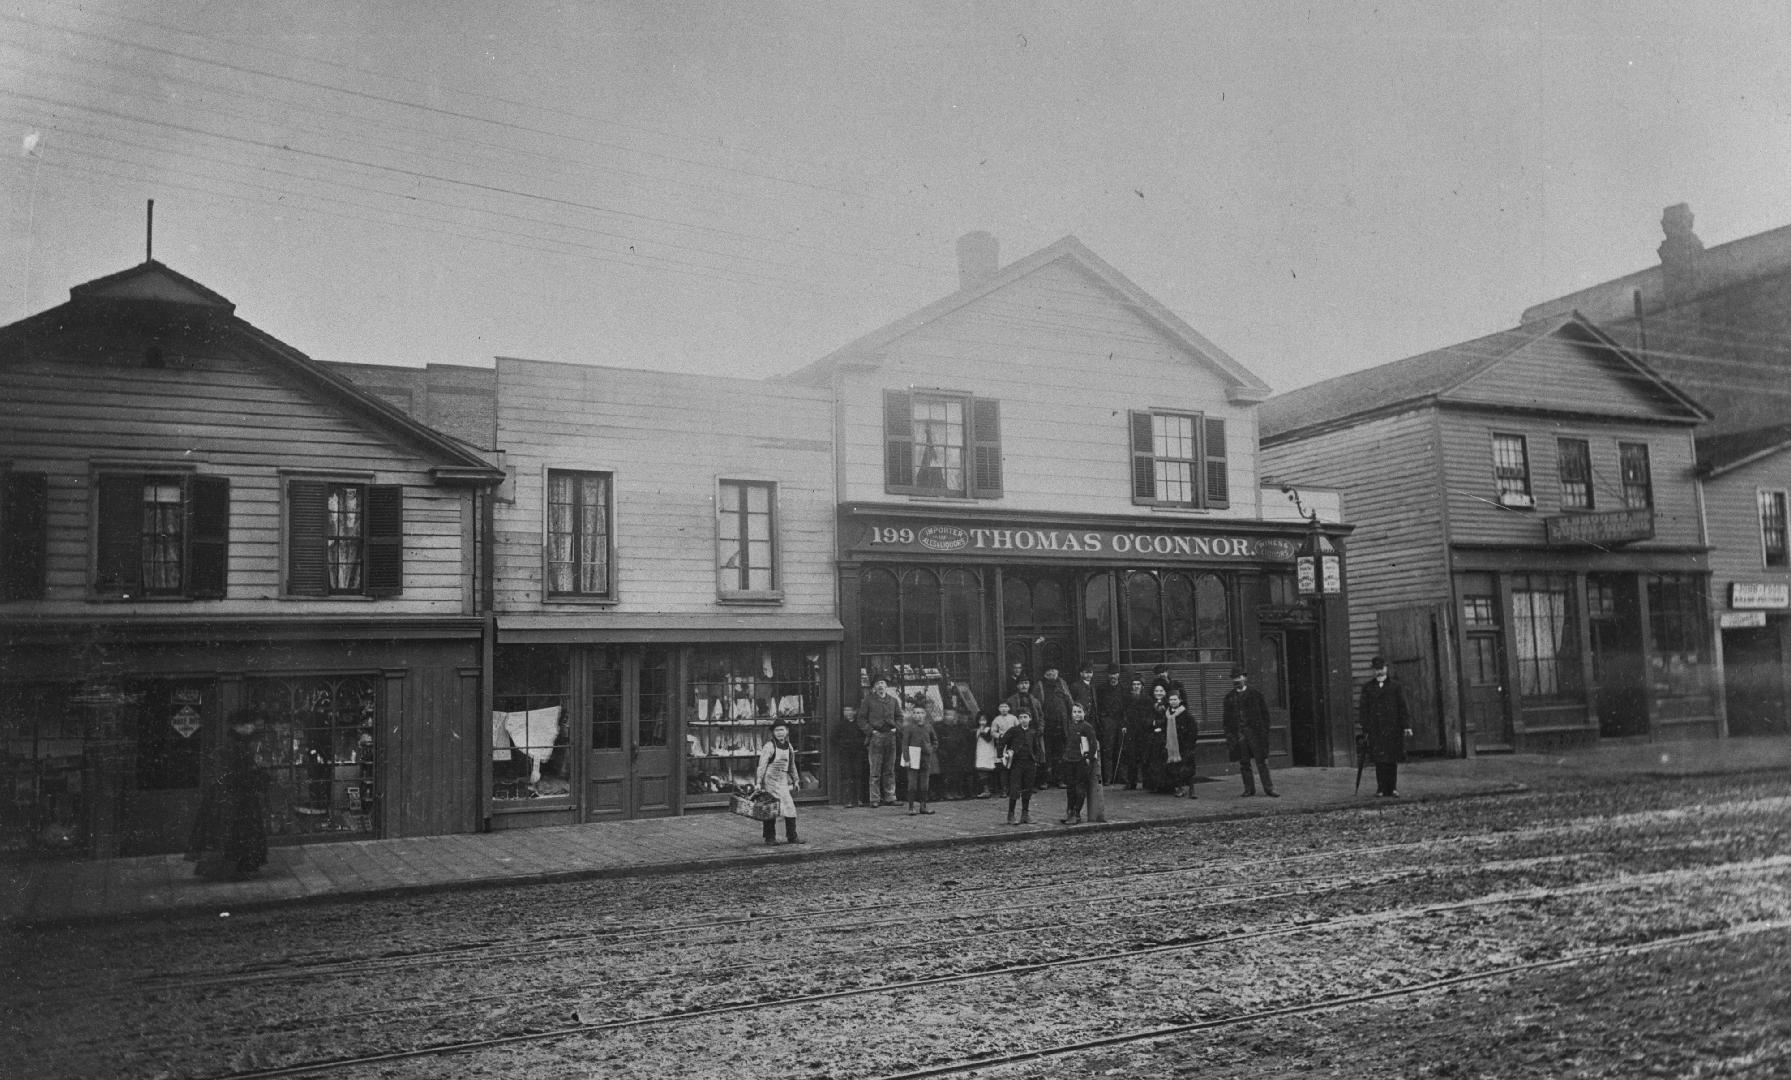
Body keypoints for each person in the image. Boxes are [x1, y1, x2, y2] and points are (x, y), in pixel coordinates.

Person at [187, 711, 269, 880]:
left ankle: (236, 868)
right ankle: (229, 869)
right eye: (247, 724)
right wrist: (256, 772)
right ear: (237, 727)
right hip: (234, 796)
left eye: (251, 724)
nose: (251, 727)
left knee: (238, 832)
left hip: (237, 794)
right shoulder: (234, 745)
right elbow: (234, 773)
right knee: (233, 832)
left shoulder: (243, 743)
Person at [1358, 655, 1414, 797]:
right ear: (1373, 671)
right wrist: (1365, 728)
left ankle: (1393, 788)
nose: (1379, 672)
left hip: (1393, 728)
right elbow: (1363, 709)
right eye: (1376, 669)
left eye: (1381, 668)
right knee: (1379, 760)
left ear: (1386, 669)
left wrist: (1407, 726)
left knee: (1391, 759)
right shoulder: (1368, 688)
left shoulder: (1396, 686)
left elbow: (1403, 707)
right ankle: (1381, 788)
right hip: (1375, 729)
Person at [1223, 668, 1278, 797]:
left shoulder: (1255, 694)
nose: (1237, 680)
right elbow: (1226, 720)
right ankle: (1249, 789)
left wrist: (1263, 732)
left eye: (1239, 677)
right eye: (1234, 678)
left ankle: (1269, 788)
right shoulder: (1229, 698)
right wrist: (1230, 736)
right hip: (1239, 735)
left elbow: (1265, 716)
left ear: (1245, 678)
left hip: (1255, 735)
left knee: (1262, 761)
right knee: (1244, 763)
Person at [754, 721, 806, 844]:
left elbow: (792, 765)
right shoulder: (769, 746)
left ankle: (792, 836)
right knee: (770, 808)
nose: (780, 733)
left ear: (786, 731)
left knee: (790, 808)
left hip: (782, 781)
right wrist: (758, 782)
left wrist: (796, 780)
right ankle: (769, 838)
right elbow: (762, 766)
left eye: (782, 730)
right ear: (773, 732)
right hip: (770, 781)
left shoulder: (789, 747)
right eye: (777, 730)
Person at [856, 674, 903, 808]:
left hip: (891, 737)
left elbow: (899, 717)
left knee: (889, 769)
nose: (880, 686)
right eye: (877, 684)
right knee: (875, 769)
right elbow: (861, 719)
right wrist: (871, 731)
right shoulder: (868, 701)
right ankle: (874, 798)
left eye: (882, 683)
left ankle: (890, 796)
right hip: (876, 738)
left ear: (886, 686)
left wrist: (896, 728)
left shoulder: (893, 701)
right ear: (874, 687)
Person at [999, 709, 1044, 824]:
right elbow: (1002, 741)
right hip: (1016, 764)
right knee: (1015, 788)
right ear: (1018, 719)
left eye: (1025, 717)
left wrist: (1036, 759)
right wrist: (1002, 755)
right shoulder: (1013, 731)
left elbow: (1037, 748)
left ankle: (1025, 815)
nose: (1023, 719)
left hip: (1030, 763)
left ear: (1030, 719)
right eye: (1021, 717)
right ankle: (1011, 815)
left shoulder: (1033, 732)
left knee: (1028, 788)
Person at [1059, 703, 1100, 825]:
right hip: (1069, 760)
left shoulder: (1087, 727)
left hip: (1081, 761)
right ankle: (1070, 812)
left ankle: (1077, 813)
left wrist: (1088, 758)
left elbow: (1093, 744)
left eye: (1079, 712)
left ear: (1084, 713)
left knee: (1079, 787)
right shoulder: (1070, 726)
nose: (1077, 714)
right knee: (1070, 787)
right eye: (1074, 712)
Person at [1037, 665, 1075, 788]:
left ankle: (1060, 779)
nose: (1052, 673)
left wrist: (1073, 717)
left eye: (1054, 670)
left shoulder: (1062, 683)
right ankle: (1045, 780)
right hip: (1047, 725)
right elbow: (1037, 705)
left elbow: (1069, 701)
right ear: (1044, 673)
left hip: (1061, 724)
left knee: (1060, 752)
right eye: (1049, 671)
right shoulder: (1040, 685)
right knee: (1046, 753)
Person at [898, 705, 939, 815]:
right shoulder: (909, 728)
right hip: (913, 758)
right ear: (912, 715)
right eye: (916, 713)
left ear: (925, 715)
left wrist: (930, 749)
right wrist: (907, 759)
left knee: (924, 784)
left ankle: (923, 807)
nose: (919, 715)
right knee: (912, 784)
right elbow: (905, 744)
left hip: (925, 758)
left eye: (921, 713)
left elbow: (935, 741)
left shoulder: (929, 727)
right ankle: (911, 807)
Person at [1093, 664, 1128, 784]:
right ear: (1108, 675)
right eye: (1111, 674)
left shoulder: (1123, 689)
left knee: (1121, 748)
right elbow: (1098, 706)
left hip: (1120, 722)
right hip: (1107, 722)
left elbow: (1126, 707)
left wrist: (1124, 723)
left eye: (1115, 674)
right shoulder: (1101, 689)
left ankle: (1121, 777)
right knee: (1107, 749)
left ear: (1118, 675)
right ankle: (1107, 777)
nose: (1113, 677)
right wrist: (1103, 721)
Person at [1119, 674, 1153, 789]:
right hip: (1131, 731)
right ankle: (1131, 782)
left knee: (1144, 757)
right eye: (1134, 684)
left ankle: (1146, 782)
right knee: (1131, 757)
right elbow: (1123, 713)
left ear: (1142, 686)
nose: (1136, 686)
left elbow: (1150, 715)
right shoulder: (1127, 698)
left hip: (1143, 731)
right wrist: (1124, 725)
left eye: (1138, 684)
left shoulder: (1147, 699)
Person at [1162, 689, 1197, 797]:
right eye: (1171, 699)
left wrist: (1189, 744)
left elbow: (1193, 731)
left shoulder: (1186, 715)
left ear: (1180, 700)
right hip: (1172, 746)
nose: (1173, 701)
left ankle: (1192, 789)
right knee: (1174, 768)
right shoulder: (1167, 715)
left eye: (1175, 699)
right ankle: (1180, 788)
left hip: (1184, 746)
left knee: (1187, 768)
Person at [989, 700, 1019, 797]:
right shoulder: (996, 719)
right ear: (999, 709)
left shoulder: (1013, 718)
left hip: (1012, 745)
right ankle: (1004, 789)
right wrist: (1000, 736)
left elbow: (1018, 729)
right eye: (1001, 707)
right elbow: (993, 732)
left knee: (1013, 766)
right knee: (1003, 768)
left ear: (1009, 708)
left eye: (1005, 706)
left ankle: (1013, 789)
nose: (1004, 709)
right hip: (1002, 745)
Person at [973, 711, 999, 797]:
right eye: (980, 720)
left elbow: (988, 739)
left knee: (988, 769)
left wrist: (981, 732)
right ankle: (985, 789)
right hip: (980, 751)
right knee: (981, 769)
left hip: (988, 751)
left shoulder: (989, 729)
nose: (982, 722)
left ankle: (989, 789)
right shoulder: (977, 730)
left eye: (984, 720)